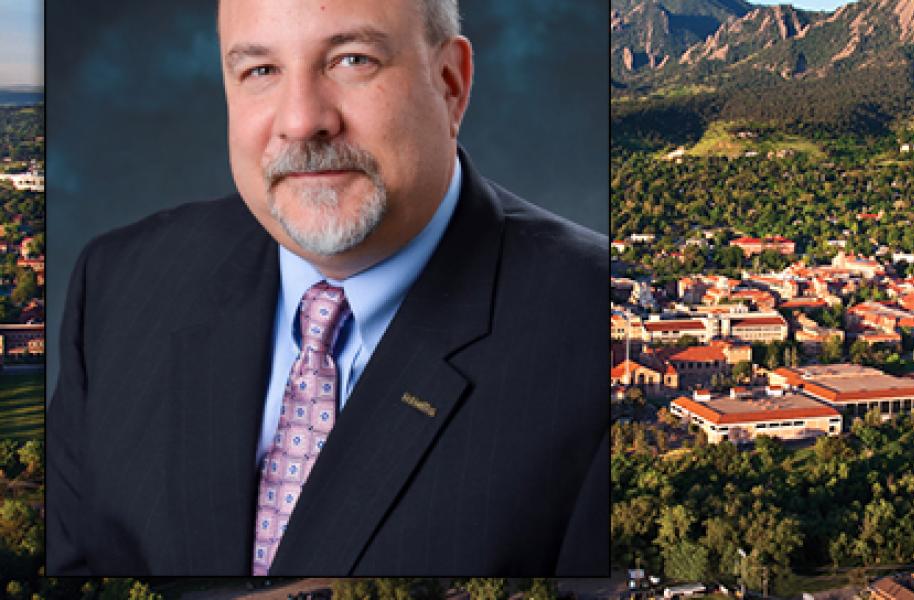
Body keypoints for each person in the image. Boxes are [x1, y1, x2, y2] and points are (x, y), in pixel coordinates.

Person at [46, 0, 606, 576]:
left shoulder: (590, 327)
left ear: (450, 85)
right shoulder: (118, 283)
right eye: (261, 71)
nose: (302, 120)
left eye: (351, 60)